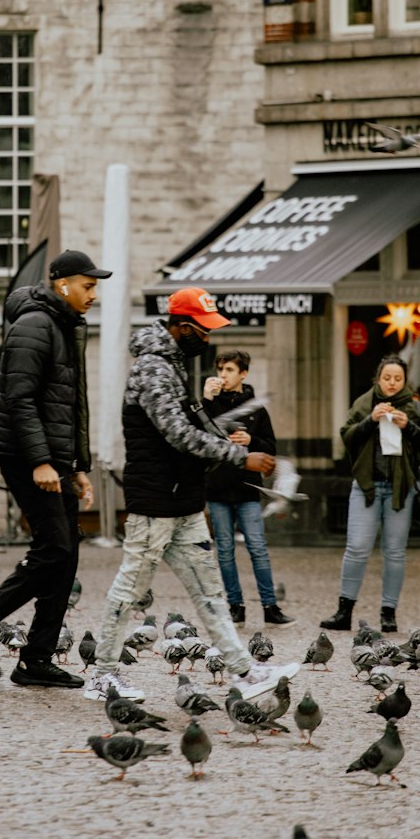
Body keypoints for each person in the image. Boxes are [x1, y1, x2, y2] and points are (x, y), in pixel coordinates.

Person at [85, 287, 300, 703]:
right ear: (183, 327)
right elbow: (178, 435)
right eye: (204, 331)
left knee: (210, 589)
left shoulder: (172, 365)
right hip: (156, 501)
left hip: (182, 499)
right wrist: (240, 456)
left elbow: (188, 431)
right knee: (130, 589)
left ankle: (245, 670)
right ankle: (103, 675)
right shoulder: (153, 369)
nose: (208, 338)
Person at [0, 248, 108, 689]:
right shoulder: (35, 325)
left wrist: (76, 466)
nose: (93, 294)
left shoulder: (64, 325)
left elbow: (67, 405)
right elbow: (19, 399)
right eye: (88, 285)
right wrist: (41, 461)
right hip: (24, 455)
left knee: (67, 553)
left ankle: (36, 658)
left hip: (49, 456)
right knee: (54, 548)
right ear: (63, 284)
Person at [321, 354, 420, 635]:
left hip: (401, 489)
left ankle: (388, 613)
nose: (392, 383)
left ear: (405, 380)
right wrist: (370, 421)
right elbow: (347, 437)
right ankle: (344, 611)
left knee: (394, 552)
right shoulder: (363, 403)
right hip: (366, 486)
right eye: (387, 378)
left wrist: (409, 426)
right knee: (357, 548)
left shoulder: (416, 408)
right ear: (378, 379)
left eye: (398, 378)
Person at [203, 348, 293, 625]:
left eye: (229, 370)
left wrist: (250, 441)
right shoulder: (210, 403)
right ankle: (235, 605)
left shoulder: (256, 409)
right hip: (217, 488)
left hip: (247, 488)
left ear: (243, 373)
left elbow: (270, 448)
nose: (223, 375)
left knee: (257, 547)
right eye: (220, 370)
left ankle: (270, 607)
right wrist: (206, 400)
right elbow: (198, 435)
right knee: (225, 550)